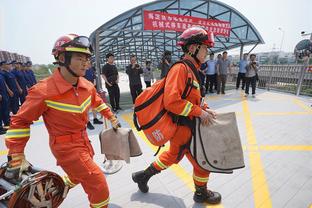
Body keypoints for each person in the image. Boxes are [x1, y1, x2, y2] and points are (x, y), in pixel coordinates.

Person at [4, 34, 121, 208]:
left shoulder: (86, 86)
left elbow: (97, 102)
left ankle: (57, 190)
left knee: (77, 175)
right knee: (97, 183)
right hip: (65, 148)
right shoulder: (43, 91)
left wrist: (111, 117)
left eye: (87, 58)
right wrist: (16, 154)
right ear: (61, 58)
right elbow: (20, 121)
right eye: (79, 58)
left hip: (84, 142)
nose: (85, 63)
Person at [132, 27, 221, 204]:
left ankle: (143, 176)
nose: (206, 52)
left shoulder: (192, 70)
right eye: (204, 48)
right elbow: (172, 102)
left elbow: (192, 97)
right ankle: (200, 193)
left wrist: (205, 108)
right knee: (200, 162)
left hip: (188, 127)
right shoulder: (181, 69)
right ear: (192, 48)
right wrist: (199, 112)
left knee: (174, 156)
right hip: (183, 128)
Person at [84, 61, 103, 130]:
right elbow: (82, 81)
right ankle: (87, 121)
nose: (90, 65)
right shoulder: (83, 71)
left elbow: (94, 78)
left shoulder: (92, 69)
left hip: (92, 88)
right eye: (88, 63)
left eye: (90, 64)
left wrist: (93, 85)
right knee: (87, 106)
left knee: (94, 104)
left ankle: (95, 119)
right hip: (85, 90)